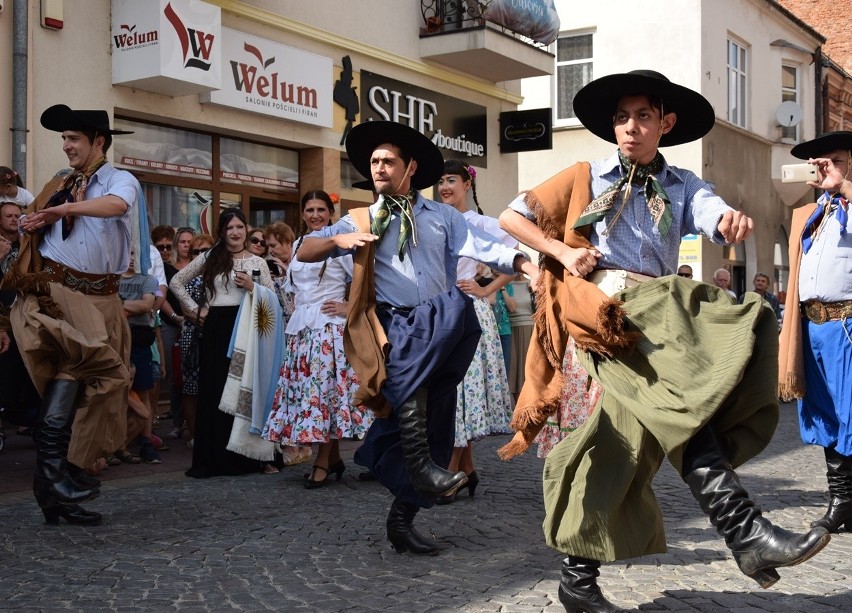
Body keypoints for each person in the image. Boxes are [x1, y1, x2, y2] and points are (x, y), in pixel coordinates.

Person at [497, 70, 829, 611]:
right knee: (671, 421)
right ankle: (746, 535)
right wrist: (561, 253)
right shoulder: (586, 173)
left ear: (665, 124)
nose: (630, 127)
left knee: (614, 448)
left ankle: (576, 582)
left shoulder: (682, 184)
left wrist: (729, 221)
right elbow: (512, 215)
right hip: (605, 323)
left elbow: (711, 212)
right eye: (622, 118)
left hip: (660, 320)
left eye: (643, 117)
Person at [297, 120, 536, 555]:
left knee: (435, 425)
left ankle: (401, 519)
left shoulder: (443, 216)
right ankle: (423, 475)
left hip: (439, 325)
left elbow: (485, 248)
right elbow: (303, 250)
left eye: (388, 161)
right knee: (413, 401)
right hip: (394, 325)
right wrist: (341, 239)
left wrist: (522, 262)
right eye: (373, 161)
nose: (379, 168)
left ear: (410, 169)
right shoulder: (361, 217)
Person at [2, 104, 140, 525]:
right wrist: (31, 223)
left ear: (98, 142)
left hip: (102, 301)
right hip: (59, 294)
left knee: (89, 384)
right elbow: (34, 225)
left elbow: (115, 206)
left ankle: (56, 487)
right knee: (90, 375)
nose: (66, 146)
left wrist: (62, 211)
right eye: (64, 139)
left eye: (73, 139)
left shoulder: (119, 179)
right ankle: (62, 478)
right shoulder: (59, 182)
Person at [263, 190, 369, 487]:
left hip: (329, 331)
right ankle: (333, 458)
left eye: (321, 209)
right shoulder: (298, 244)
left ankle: (323, 462)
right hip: (302, 331)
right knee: (315, 397)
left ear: (330, 212)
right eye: (310, 210)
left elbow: (362, 280)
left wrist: (349, 306)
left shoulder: (340, 244)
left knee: (322, 398)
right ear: (302, 213)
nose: (315, 215)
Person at [779, 131, 852, 535]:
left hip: (847, 325)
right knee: (825, 416)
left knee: (851, 415)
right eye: (819, 162)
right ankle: (842, 503)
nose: (825, 168)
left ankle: (845, 503)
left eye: (836, 160)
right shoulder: (812, 215)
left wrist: (844, 186)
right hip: (813, 326)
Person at [435, 159, 516, 504]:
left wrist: (486, 288)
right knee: (449, 392)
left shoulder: (484, 223)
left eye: (450, 180)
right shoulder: (433, 220)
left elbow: (515, 258)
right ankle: (465, 470)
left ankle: (451, 468)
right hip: (439, 313)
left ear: (467, 184)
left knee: (461, 392)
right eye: (439, 181)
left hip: (470, 312)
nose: (444, 187)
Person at [170, 208, 273, 478]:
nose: (236, 232)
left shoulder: (258, 262)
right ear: (222, 232)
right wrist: (196, 310)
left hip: (246, 327)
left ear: (246, 229)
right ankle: (213, 459)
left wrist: (253, 287)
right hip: (216, 327)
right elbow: (176, 281)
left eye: (240, 227)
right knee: (215, 390)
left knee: (242, 390)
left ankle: (243, 459)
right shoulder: (210, 257)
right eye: (230, 228)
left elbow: (273, 300)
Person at [176, 233, 215, 448]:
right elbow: (187, 310)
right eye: (196, 252)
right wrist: (210, 320)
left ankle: (211, 433)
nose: (201, 255)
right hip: (193, 338)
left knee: (212, 386)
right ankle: (194, 435)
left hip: (215, 337)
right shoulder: (185, 277)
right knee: (191, 389)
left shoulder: (220, 275)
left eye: (205, 251)